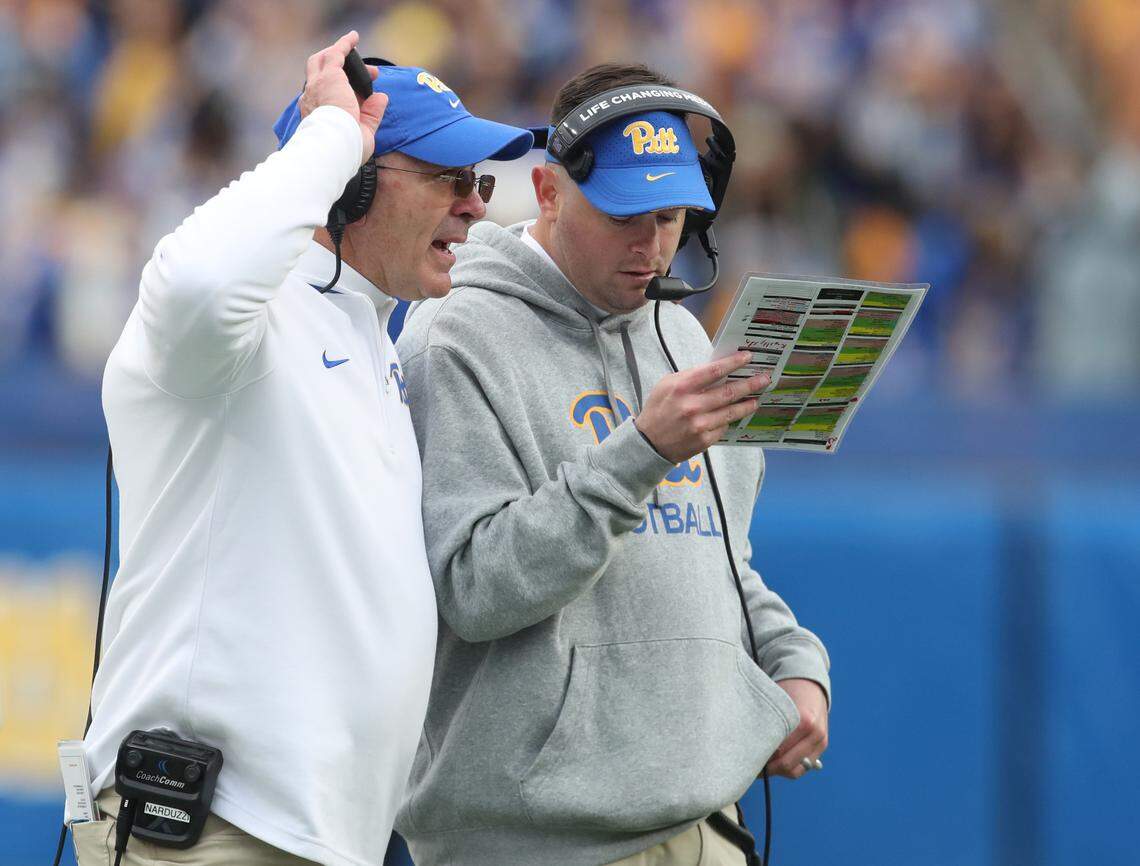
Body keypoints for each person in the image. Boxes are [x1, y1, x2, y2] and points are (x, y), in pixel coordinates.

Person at [74, 32, 532, 866]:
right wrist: (328, 139)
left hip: (323, 837)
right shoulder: (244, 326)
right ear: (351, 188)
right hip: (214, 829)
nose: (474, 204)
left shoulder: (369, 334)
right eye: (448, 178)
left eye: (479, 182)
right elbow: (200, 281)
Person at [394, 63, 831, 866]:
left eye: (671, 218)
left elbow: (717, 558)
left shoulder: (682, 338)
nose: (652, 245)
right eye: (626, 215)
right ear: (550, 192)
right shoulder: (454, 337)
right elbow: (473, 588)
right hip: (537, 841)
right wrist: (642, 450)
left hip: (705, 824)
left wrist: (792, 662)